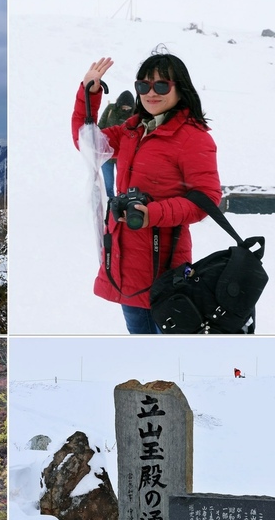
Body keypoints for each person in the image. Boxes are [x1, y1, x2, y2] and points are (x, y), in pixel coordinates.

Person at [71, 54, 222, 334]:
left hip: (165, 268)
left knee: (169, 342)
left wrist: (153, 213)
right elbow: (87, 144)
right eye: (144, 86)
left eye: (161, 86)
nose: (151, 93)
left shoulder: (194, 137)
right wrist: (88, 95)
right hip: (124, 263)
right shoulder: (132, 130)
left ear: (180, 88)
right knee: (140, 340)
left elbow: (207, 199)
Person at [97, 90, 135, 198]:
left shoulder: (134, 114)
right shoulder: (110, 109)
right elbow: (100, 126)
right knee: (108, 184)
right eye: (124, 107)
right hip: (107, 156)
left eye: (128, 107)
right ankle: (110, 205)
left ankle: (121, 205)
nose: (126, 109)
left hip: (123, 156)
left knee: (123, 184)